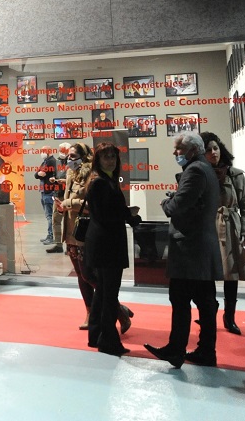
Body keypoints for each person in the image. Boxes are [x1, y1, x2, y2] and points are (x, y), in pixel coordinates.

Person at [145, 132, 223, 369]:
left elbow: (179, 205)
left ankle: (176, 349)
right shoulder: (206, 168)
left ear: (192, 150)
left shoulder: (196, 170)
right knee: (205, 302)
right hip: (199, 246)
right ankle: (203, 350)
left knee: (181, 300)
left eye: (178, 149)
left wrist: (166, 203)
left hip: (191, 248)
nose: (175, 153)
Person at [83, 142, 142, 356]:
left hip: (104, 242)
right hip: (106, 244)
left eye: (113, 157)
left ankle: (96, 335)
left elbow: (108, 211)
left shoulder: (106, 181)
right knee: (109, 294)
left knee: (103, 293)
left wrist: (127, 215)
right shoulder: (100, 183)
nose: (110, 160)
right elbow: (105, 216)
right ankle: (108, 341)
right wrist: (129, 217)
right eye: (106, 157)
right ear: (97, 160)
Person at [201, 132, 245, 335]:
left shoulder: (235, 174)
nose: (213, 152)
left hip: (230, 227)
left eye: (215, 148)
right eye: (208, 149)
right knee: (207, 275)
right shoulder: (199, 174)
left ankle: (229, 317)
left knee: (231, 275)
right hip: (207, 226)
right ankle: (208, 315)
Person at [47, 142, 71, 254]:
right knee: (55, 220)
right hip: (58, 194)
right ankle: (58, 244)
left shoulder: (74, 163)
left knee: (70, 221)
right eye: (60, 150)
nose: (61, 152)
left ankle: (70, 245)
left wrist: (63, 181)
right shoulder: (57, 162)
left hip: (69, 195)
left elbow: (75, 180)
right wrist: (55, 180)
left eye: (63, 150)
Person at [35, 149, 59, 245]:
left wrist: (40, 174)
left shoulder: (51, 162)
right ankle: (49, 235)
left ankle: (51, 236)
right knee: (48, 215)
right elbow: (37, 174)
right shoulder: (44, 162)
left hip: (49, 191)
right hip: (44, 191)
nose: (42, 153)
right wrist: (38, 174)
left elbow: (43, 173)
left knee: (50, 216)